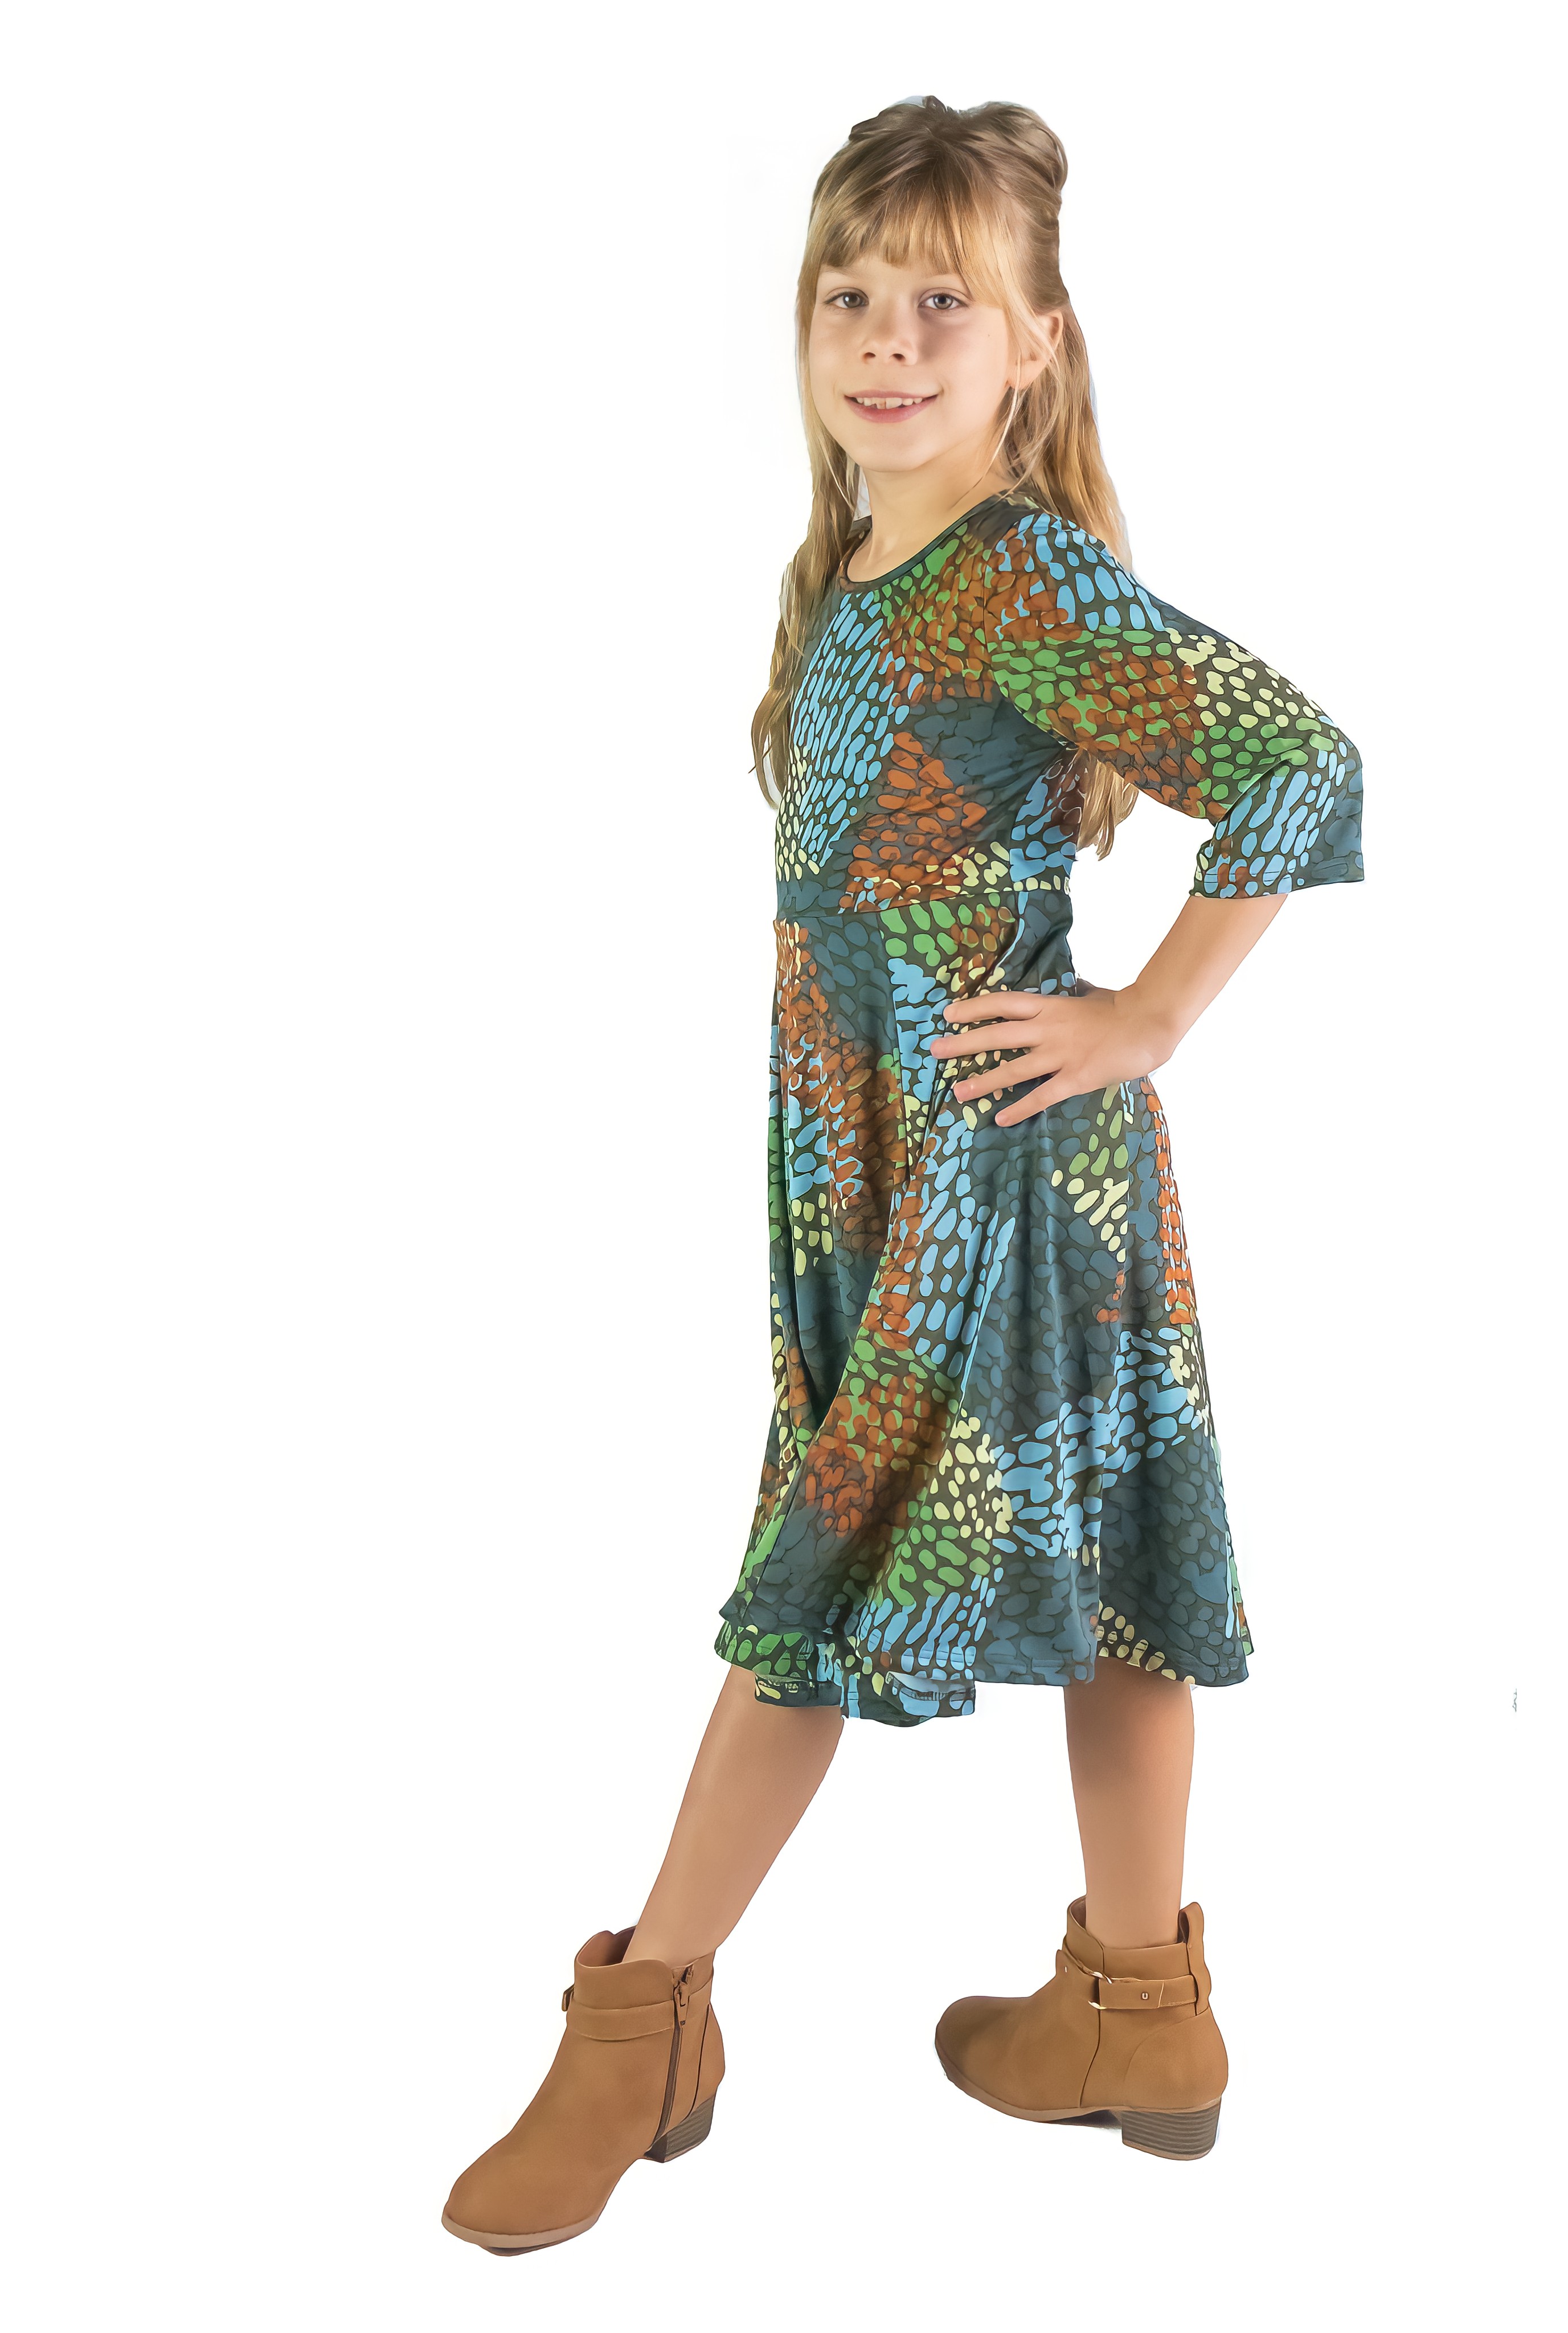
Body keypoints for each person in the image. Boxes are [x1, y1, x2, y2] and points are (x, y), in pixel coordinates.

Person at [442, 92, 1363, 2254]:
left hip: (999, 1180)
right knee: (1114, 1583)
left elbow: (1300, 765)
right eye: (848, 296)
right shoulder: (854, 573)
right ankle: (1139, 2013)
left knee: (813, 1594)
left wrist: (1147, 1016)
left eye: (944, 302)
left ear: (1036, 341)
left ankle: (645, 2023)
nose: (885, 338)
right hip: (907, 1174)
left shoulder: (1021, 574)